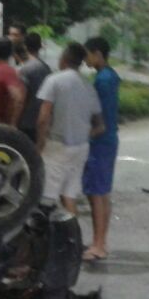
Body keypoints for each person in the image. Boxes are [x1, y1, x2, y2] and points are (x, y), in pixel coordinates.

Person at [35, 42, 104, 226]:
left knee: (47, 198)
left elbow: (43, 117)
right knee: (69, 195)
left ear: (63, 59)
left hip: (57, 146)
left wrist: (40, 145)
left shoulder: (54, 80)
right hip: (81, 147)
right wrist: (82, 133)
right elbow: (100, 126)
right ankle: (72, 240)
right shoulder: (88, 86)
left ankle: (49, 243)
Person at [82, 36, 121, 262]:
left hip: (100, 141)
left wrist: (85, 136)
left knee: (96, 194)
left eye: (88, 54)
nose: (86, 59)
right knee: (102, 193)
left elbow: (100, 119)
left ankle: (98, 245)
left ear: (97, 53)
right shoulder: (110, 76)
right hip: (108, 140)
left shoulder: (102, 81)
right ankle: (101, 241)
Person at [17, 32, 52, 143]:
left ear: (25, 46)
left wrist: (14, 120)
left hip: (26, 122)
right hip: (41, 120)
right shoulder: (47, 69)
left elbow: (21, 99)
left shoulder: (24, 69)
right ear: (40, 46)